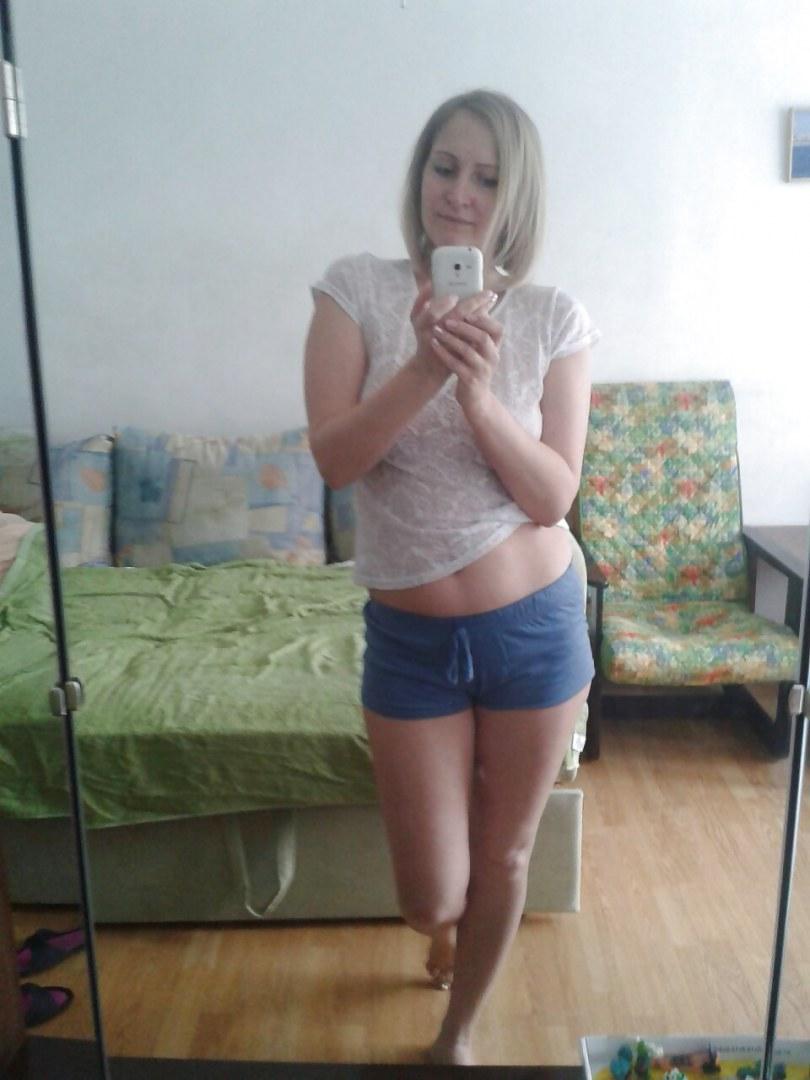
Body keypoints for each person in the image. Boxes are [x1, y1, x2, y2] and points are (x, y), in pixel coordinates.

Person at [304, 88, 599, 1067]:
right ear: (420, 173)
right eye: (445, 167)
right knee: (431, 891)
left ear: (518, 197)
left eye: (487, 177)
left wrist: (477, 395)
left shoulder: (553, 316)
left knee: (506, 853)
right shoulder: (355, 290)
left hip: (534, 627)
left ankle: (456, 1037)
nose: (460, 193)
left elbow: (552, 494)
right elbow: (336, 460)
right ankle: (445, 928)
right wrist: (425, 367)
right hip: (413, 641)